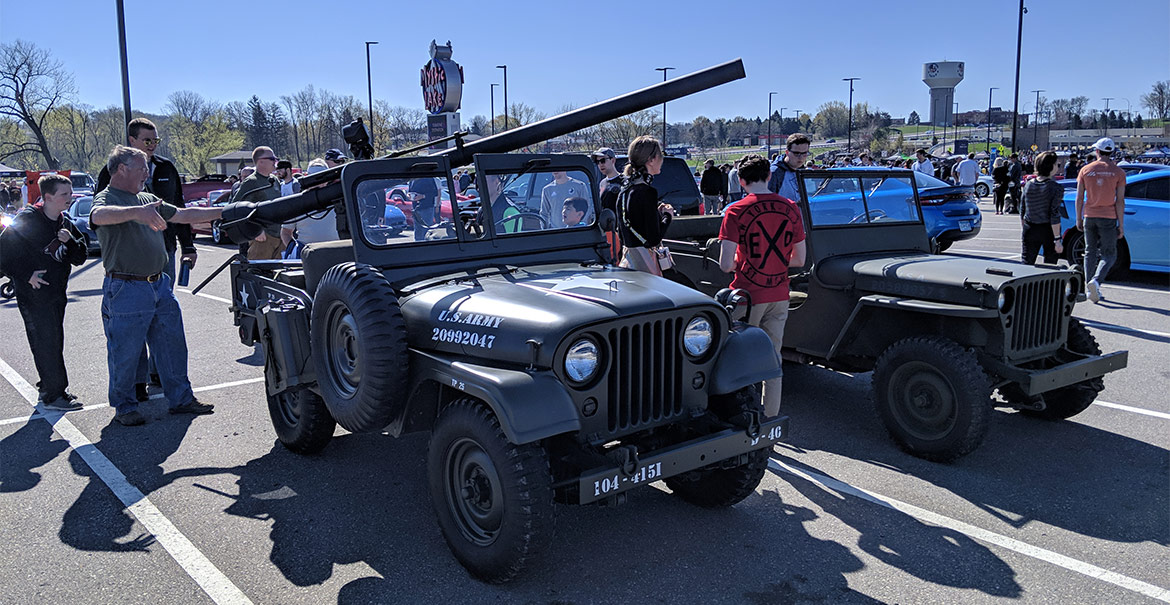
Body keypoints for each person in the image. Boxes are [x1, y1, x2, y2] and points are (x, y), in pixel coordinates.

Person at [90, 146, 224, 426]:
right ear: (122, 169)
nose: (147, 173)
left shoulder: (148, 197)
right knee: (124, 352)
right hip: (126, 288)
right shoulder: (107, 198)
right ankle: (125, 407)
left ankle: (181, 399)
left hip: (159, 284)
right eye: (142, 168)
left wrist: (225, 211)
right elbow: (98, 216)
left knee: (172, 346)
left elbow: (184, 216)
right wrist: (136, 212)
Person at [717, 154, 806, 418]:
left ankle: (743, 416)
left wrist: (743, 261)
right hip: (780, 292)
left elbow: (725, 264)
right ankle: (769, 418)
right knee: (773, 359)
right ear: (769, 176)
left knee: (739, 358)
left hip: (748, 295)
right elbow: (799, 259)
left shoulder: (735, 211)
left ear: (741, 181)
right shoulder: (791, 208)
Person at [0, 174, 87, 411]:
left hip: (57, 293)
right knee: (46, 341)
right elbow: (3, 255)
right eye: (64, 194)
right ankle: (55, 395)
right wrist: (27, 274)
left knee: (52, 341)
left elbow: (81, 256)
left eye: (70, 193)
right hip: (33, 296)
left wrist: (70, 243)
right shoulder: (27, 219)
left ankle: (48, 387)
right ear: (47, 197)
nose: (70, 198)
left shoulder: (64, 222)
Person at [1075, 138, 1127, 303]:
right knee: (1109, 254)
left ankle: (1090, 285)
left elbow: (1079, 197)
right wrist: (1121, 224)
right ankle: (1096, 281)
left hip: (1089, 215)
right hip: (1108, 216)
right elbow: (1120, 200)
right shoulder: (1118, 172)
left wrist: (1079, 217)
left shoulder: (1085, 170)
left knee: (1089, 251)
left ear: (1097, 151)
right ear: (1111, 152)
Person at [617, 136, 673, 276]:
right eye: (661, 155)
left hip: (628, 262)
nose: (662, 159)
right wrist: (667, 216)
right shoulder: (647, 192)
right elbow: (654, 238)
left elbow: (623, 234)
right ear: (652, 159)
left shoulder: (624, 191)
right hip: (646, 265)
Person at [232, 147, 283, 259]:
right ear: (261, 161)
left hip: (279, 236)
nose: (275, 161)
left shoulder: (274, 180)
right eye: (272, 159)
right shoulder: (251, 182)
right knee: (258, 272)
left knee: (279, 274)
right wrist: (256, 230)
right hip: (263, 238)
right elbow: (235, 208)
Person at [280, 159, 336, 254]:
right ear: (307, 177)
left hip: (335, 252)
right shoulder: (297, 202)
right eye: (314, 177)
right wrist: (294, 250)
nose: (318, 182)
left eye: (322, 178)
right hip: (307, 254)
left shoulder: (338, 200)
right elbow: (285, 232)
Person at [1019, 151, 1065, 265]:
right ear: (1051, 166)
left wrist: (1024, 226)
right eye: (1056, 165)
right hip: (1047, 229)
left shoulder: (1028, 184)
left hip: (1030, 227)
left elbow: (1022, 209)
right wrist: (1057, 239)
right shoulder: (1055, 188)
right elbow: (1054, 213)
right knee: (1050, 264)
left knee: (1026, 262)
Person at [766, 133, 812, 202]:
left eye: (804, 153)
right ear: (787, 152)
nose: (801, 157)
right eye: (796, 153)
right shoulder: (775, 173)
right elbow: (767, 201)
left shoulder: (803, 171)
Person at [407, 175, 439, 240]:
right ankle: (417, 247)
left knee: (426, 232)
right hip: (415, 208)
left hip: (427, 208)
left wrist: (422, 196)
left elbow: (435, 192)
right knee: (417, 232)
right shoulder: (412, 179)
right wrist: (408, 195)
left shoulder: (428, 178)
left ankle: (426, 248)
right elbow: (409, 191)